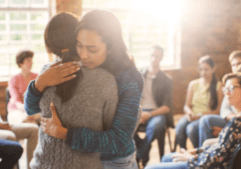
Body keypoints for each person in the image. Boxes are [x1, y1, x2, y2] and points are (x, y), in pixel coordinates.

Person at [24, 10, 143, 169]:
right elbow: (32, 108)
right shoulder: (72, 69)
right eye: (79, 45)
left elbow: (119, 141)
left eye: (92, 49)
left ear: (111, 47)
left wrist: (65, 133)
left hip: (113, 160)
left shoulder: (127, 78)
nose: (84, 55)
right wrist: (39, 83)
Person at [145, 72, 241, 169]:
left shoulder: (237, 122)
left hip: (204, 165)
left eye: (231, 88)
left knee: (149, 168)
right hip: (205, 160)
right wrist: (197, 151)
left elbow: (217, 159)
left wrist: (190, 158)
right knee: (167, 157)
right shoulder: (236, 119)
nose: (227, 93)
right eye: (226, 89)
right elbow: (220, 148)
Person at [134, 45, 174, 167]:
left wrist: (149, 114)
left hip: (156, 113)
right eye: (152, 55)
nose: (153, 59)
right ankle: (144, 152)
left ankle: (141, 152)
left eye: (157, 56)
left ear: (161, 58)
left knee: (156, 125)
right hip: (139, 111)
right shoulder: (139, 75)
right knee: (125, 123)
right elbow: (132, 99)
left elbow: (167, 107)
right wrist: (139, 113)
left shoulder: (166, 79)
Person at [175, 55, 223, 149]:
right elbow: (186, 106)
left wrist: (200, 115)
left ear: (213, 69)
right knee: (179, 127)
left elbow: (218, 111)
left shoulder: (218, 86)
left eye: (206, 69)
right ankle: (183, 151)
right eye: (201, 69)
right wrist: (189, 113)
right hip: (192, 115)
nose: (203, 72)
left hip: (205, 117)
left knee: (191, 129)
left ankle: (199, 152)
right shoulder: (193, 84)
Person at [198, 50, 241, 146]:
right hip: (232, 119)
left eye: (239, 63)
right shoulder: (231, 81)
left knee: (195, 126)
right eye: (233, 65)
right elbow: (224, 110)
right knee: (204, 121)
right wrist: (235, 120)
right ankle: (202, 153)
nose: (236, 67)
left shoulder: (236, 85)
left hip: (237, 121)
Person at [8, 50, 40, 125]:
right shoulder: (14, 79)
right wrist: (27, 110)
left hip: (34, 110)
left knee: (31, 119)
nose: (32, 62)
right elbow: (16, 101)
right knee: (26, 119)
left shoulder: (37, 77)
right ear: (21, 64)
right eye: (28, 60)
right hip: (17, 109)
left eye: (32, 60)